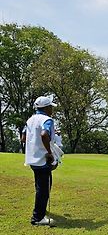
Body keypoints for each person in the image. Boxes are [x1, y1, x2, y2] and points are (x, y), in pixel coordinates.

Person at [21, 96, 58, 226]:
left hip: (33, 159)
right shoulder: (47, 120)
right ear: (46, 108)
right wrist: (48, 152)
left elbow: (24, 138)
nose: (52, 110)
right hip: (43, 159)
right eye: (51, 107)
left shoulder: (30, 120)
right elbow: (43, 134)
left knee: (41, 187)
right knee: (43, 189)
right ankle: (38, 218)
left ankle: (41, 211)